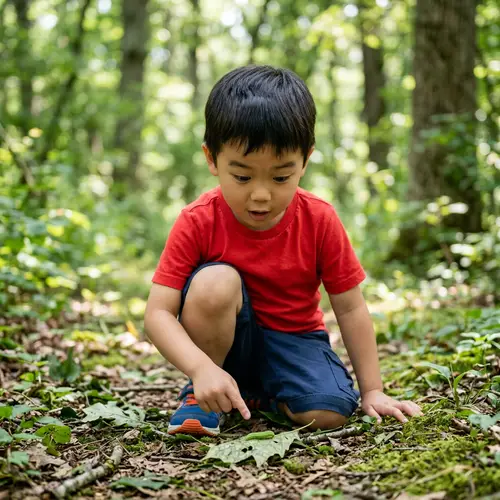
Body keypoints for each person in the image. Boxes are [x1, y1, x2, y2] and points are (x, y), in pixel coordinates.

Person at [144, 65, 423, 436]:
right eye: (242, 176)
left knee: (331, 411)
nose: (261, 194)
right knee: (214, 281)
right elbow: (158, 314)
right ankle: (205, 391)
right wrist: (199, 368)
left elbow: (351, 306)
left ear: (304, 161)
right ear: (212, 159)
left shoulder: (320, 219)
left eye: (280, 177)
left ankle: (255, 395)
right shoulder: (197, 220)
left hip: (294, 338)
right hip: (224, 343)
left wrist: (373, 390)